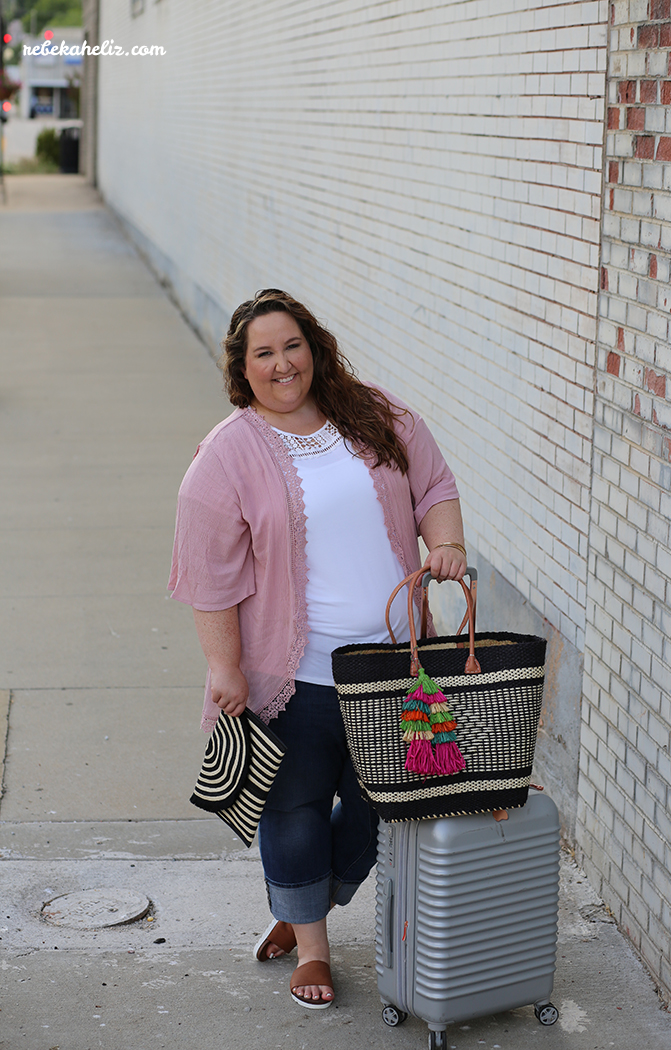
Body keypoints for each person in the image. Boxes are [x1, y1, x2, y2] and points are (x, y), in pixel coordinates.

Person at [169, 289, 467, 1009]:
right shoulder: (228, 453)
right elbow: (207, 571)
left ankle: (300, 903)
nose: (282, 364)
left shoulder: (374, 412)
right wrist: (224, 666)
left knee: (384, 808)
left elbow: (433, 483)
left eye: (291, 346)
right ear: (242, 369)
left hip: (398, 671)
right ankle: (312, 947)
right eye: (263, 354)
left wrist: (447, 540)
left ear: (315, 346)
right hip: (293, 679)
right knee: (293, 808)